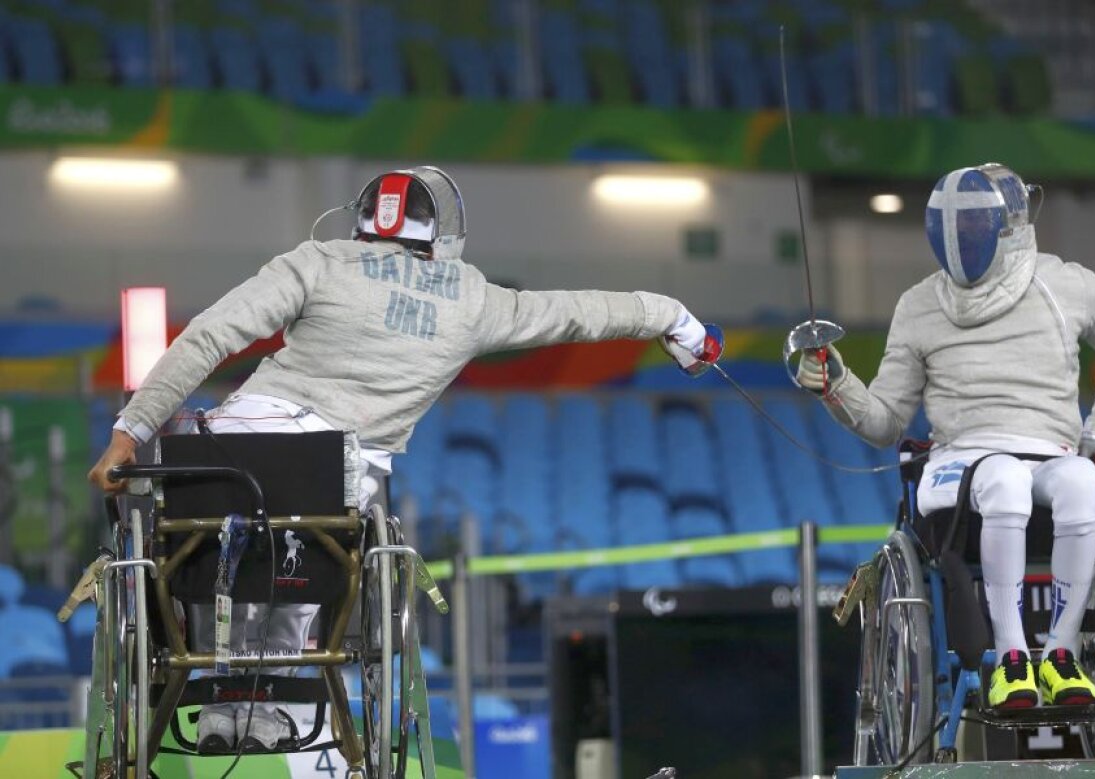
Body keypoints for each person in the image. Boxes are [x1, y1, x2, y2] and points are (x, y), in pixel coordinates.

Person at [88, 166, 713, 751]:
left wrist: (129, 433)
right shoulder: (474, 301)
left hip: (227, 455)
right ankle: (264, 703)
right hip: (327, 479)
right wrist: (675, 319)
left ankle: (211, 682)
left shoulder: (319, 261)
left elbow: (209, 335)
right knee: (311, 545)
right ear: (442, 232)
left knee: (196, 533)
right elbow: (584, 314)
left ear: (363, 220)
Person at [793, 163, 1095, 710]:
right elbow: (886, 419)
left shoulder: (1067, 284)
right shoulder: (918, 305)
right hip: (959, 466)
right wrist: (836, 385)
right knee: (1003, 477)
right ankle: (1012, 659)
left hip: (1048, 457)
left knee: (1082, 481)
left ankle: (1059, 656)